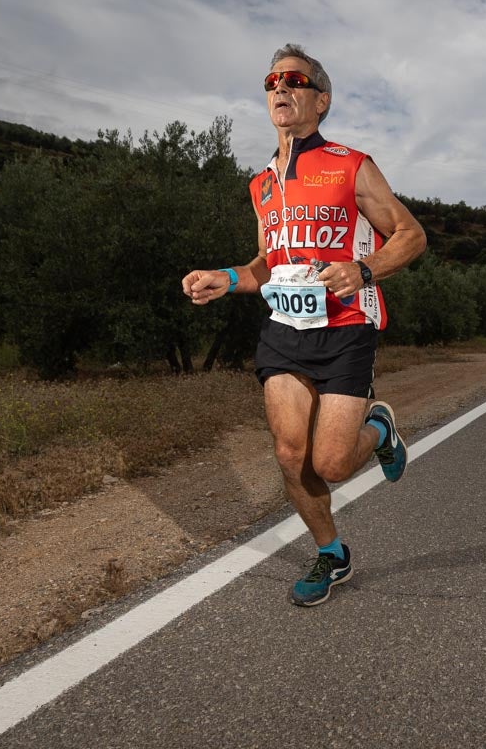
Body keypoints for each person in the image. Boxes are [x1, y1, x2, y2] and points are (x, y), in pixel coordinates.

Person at [182, 44, 427, 607]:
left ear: (322, 99)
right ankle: (332, 554)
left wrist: (363, 270)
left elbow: (411, 236)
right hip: (285, 327)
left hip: (346, 326)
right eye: (271, 81)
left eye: (294, 80)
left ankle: (380, 430)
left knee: (332, 463)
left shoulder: (351, 164)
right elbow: (267, 263)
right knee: (291, 455)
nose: (279, 88)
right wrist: (227, 277)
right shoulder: (261, 183)